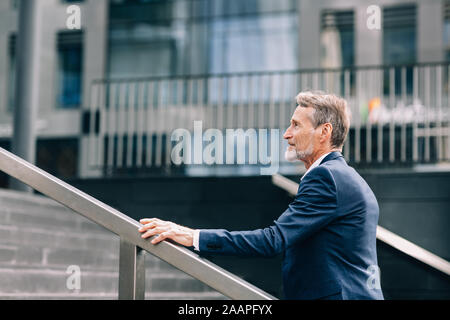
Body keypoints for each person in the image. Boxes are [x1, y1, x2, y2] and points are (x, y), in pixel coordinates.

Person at [138, 91, 384, 300]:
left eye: (296, 125)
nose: (287, 134)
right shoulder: (346, 178)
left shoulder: (327, 178)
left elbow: (272, 241)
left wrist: (192, 236)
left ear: (324, 131)